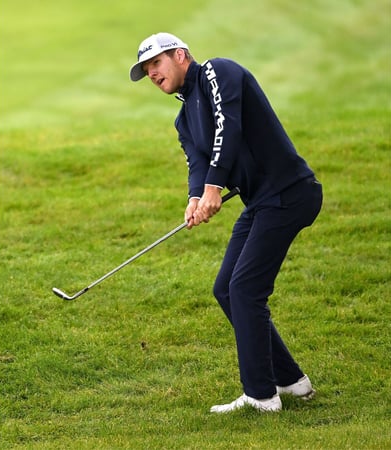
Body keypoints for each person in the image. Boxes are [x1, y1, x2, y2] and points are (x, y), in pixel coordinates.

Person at [129, 33, 322, 413]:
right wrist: (195, 197)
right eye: (146, 70)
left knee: (246, 289)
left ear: (180, 55)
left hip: (290, 193)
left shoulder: (219, 72)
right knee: (226, 289)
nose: (152, 74)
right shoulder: (183, 118)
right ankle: (292, 381)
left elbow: (227, 126)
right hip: (262, 202)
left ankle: (261, 395)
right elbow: (197, 163)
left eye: (156, 64)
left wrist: (215, 187)